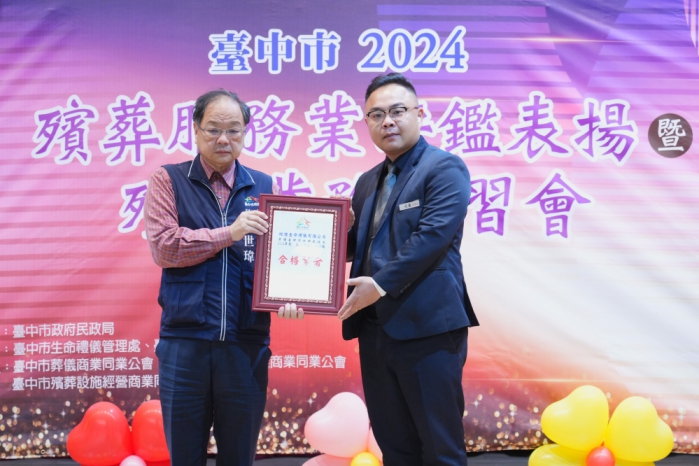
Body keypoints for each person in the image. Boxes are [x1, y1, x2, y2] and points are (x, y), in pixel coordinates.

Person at [144, 89, 303, 466]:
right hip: (185, 343)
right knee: (185, 456)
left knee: (239, 456)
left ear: (246, 133)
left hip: (245, 344)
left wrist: (291, 295)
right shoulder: (168, 179)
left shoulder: (264, 187)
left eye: (233, 130)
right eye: (214, 129)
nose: (223, 139)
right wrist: (229, 233)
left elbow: (279, 258)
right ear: (196, 130)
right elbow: (164, 247)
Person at [337, 73, 479, 465]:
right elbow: (358, 246)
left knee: (439, 446)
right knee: (394, 445)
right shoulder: (367, 181)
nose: (387, 122)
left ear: (419, 113)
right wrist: (317, 238)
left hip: (428, 329)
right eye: (376, 115)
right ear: (367, 122)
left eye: (397, 111)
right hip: (374, 330)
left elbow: (432, 237)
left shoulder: (444, 168)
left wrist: (379, 285)